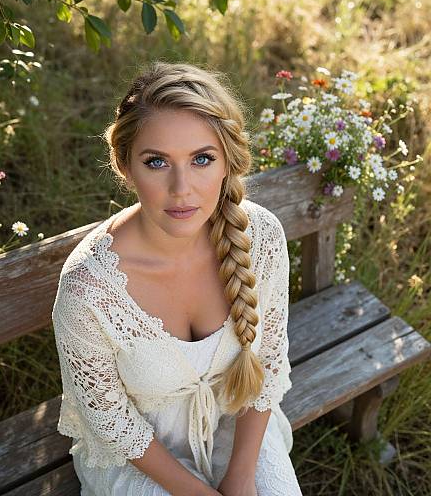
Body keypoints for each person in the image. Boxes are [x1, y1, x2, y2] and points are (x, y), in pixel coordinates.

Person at [51, 61, 302, 495]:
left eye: (202, 159)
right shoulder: (87, 291)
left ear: (228, 163)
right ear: (125, 165)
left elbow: (269, 361)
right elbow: (112, 421)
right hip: (142, 455)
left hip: (239, 423)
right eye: (157, 162)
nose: (182, 188)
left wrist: (241, 478)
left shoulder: (258, 237)